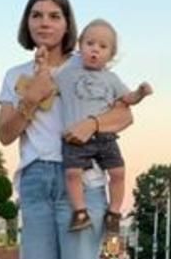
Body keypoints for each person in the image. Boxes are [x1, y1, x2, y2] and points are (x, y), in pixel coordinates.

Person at [0, 0, 134, 259]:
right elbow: (6, 134)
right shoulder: (15, 75)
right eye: (37, 15)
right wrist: (30, 97)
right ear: (27, 22)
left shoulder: (87, 65)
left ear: (67, 23)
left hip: (81, 181)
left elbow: (124, 115)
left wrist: (92, 123)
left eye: (54, 16)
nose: (45, 22)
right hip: (37, 181)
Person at [56, 19, 152, 233]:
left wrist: (141, 93)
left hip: (104, 135)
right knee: (72, 174)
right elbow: (47, 85)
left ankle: (114, 211)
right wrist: (42, 67)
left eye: (102, 46)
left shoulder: (112, 79)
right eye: (90, 44)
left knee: (117, 172)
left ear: (111, 55)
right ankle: (80, 212)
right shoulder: (66, 75)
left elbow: (128, 99)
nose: (95, 50)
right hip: (76, 137)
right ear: (80, 46)